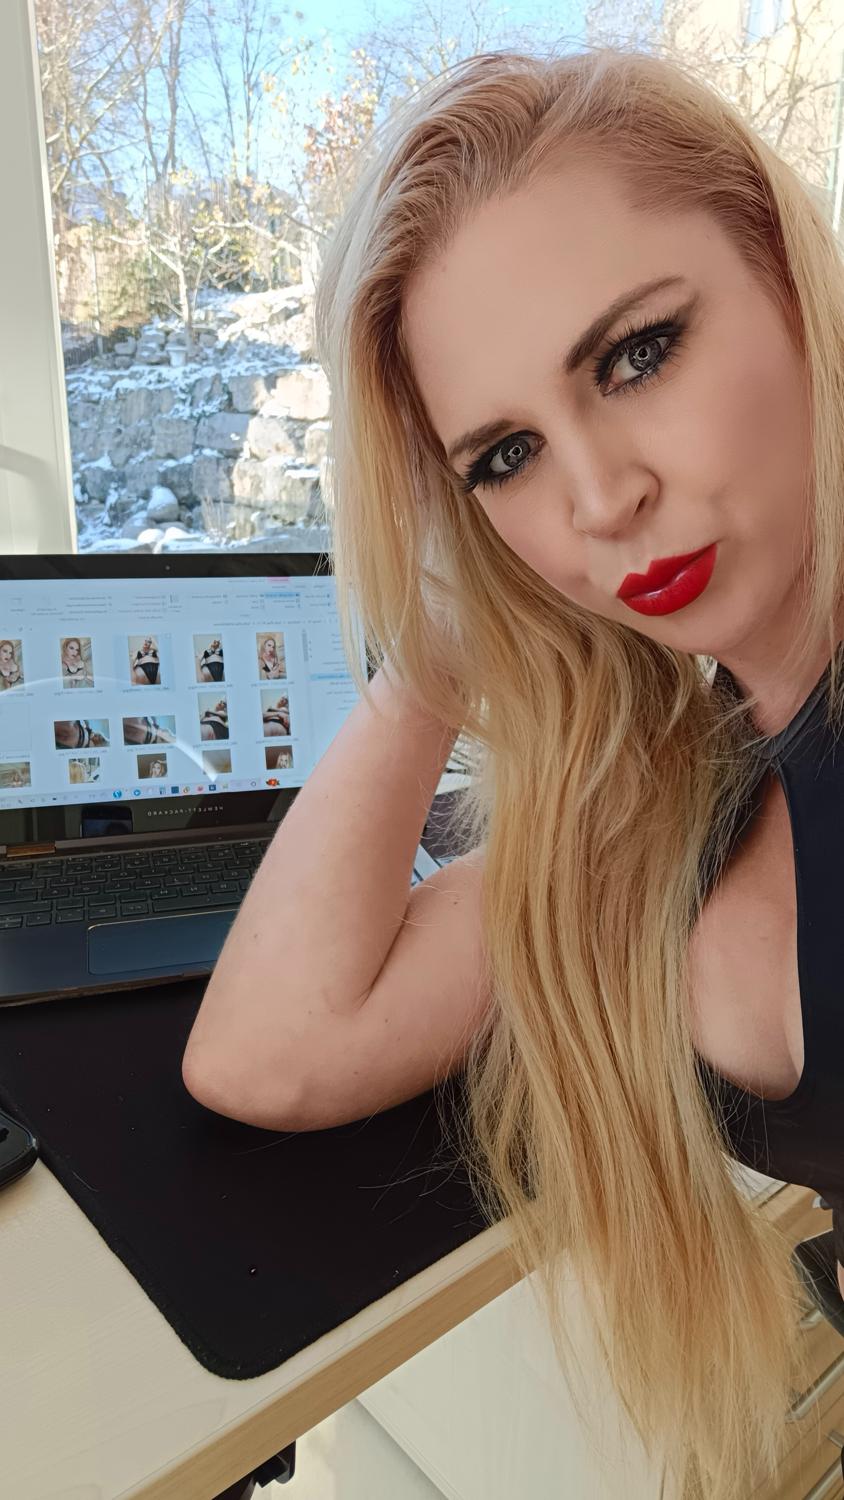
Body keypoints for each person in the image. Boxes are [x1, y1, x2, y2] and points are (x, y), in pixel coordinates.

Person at [180, 48, 844, 1500]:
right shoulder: (688, 789)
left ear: (793, 285)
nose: (600, 499)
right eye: (504, 457)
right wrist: (435, 647)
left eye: (639, 355)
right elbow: (273, 1052)